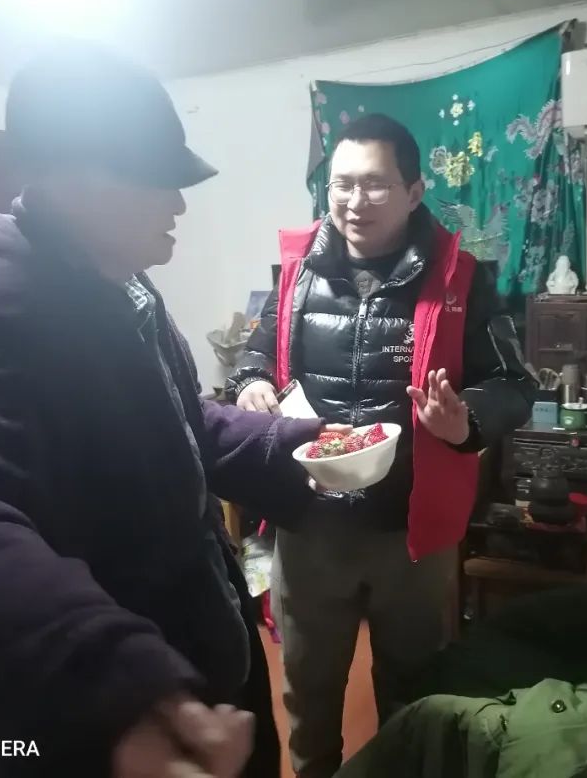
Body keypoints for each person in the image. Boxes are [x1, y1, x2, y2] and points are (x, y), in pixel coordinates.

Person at [0, 43, 335, 778]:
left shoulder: (120, 284)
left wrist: (293, 446)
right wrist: (103, 680)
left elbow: (176, 423)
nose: (179, 204)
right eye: (157, 180)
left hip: (190, 677)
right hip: (115, 722)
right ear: (68, 176)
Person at [226, 114, 536, 778]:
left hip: (411, 529)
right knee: (308, 691)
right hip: (309, 523)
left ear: (415, 191)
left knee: (415, 691)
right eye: (341, 185)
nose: (354, 201)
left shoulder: (460, 278)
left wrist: (465, 421)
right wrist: (251, 382)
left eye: (374, 184)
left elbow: (515, 383)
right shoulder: (297, 271)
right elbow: (256, 353)